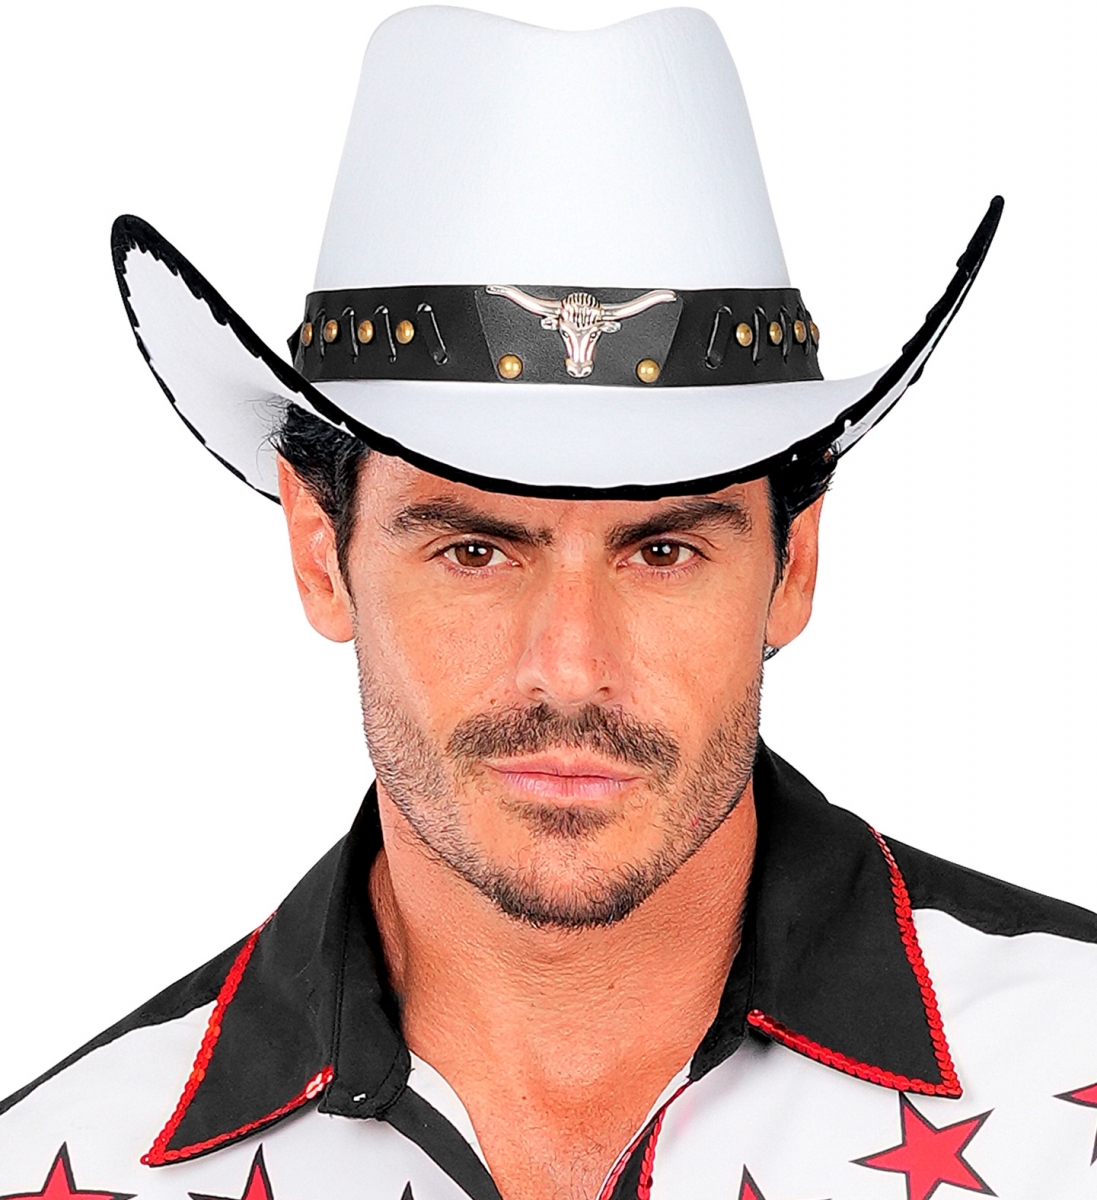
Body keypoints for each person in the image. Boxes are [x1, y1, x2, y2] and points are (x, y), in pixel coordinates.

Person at [2, 8, 1095, 1200]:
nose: (570, 668)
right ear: (320, 553)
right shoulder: (73, 1168)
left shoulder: (1068, 1082)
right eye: (474, 550)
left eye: (662, 550)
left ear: (792, 567)